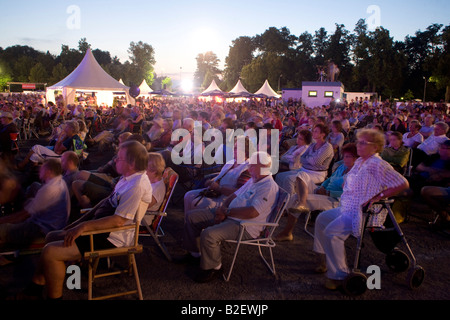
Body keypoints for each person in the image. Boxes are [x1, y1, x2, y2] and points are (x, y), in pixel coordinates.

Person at [17, 140, 152, 300]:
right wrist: (79, 223)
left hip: (112, 237)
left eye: (119, 158)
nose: (115, 160)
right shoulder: (127, 178)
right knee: (51, 237)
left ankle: (53, 296)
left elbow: (118, 221)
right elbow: (106, 202)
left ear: (132, 163)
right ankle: (37, 285)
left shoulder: (136, 186)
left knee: (51, 252)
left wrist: (83, 227)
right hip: (103, 229)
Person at [313, 129, 409, 290]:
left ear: (376, 147)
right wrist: (347, 185)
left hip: (362, 212)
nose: (359, 145)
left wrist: (378, 197)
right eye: (359, 141)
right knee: (322, 219)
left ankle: (339, 275)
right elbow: (353, 182)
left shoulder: (378, 164)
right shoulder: (360, 162)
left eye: (364, 142)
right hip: (347, 206)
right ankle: (324, 259)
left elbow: (402, 184)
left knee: (332, 232)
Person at [178, 151, 279, 283]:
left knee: (209, 235)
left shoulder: (268, 187)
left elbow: (252, 213)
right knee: (192, 217)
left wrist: (226, 212)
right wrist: (222, 209)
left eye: (252, 166)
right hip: (230, 214)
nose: (249, 168)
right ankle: (195, 254)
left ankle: (214, 267)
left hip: (245, 225)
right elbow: (234, 195)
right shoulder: (255, 180)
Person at [274, 143, 358, 241]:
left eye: (348, 157)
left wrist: (328, 193)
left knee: (295, 197)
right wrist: (322, 187)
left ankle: (287, 232)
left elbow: (349, 194)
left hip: (334, 199)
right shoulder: (342, 167)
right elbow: (329, 179)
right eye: (344, 156)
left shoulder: (356, 174)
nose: (344, 159)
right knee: (302, 174)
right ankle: (302, 202)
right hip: (323, 191)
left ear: (356, 158)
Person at [0, 159, 70, 251]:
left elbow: (23, 216)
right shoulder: (60, 181)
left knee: (3, 230)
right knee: (33, 187)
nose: (39, 170)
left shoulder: (49, 189)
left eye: (42, 169)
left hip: (42, 230)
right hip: (54, 224)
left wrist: (3, 221)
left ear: (48, 171)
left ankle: (8, 255)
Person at [183, 137, 251, 214]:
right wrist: (212, 181)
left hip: (226, 198)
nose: (233, 150)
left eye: (236, 148)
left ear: (245, 151)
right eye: (234, 147)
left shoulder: (247, 169)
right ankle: (188, 223)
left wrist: (219, 188)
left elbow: (239, 193)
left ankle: (198, 223)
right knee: (188, 195)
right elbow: (221, 176)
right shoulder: (231, 162)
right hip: (216, 192)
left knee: (197, 203)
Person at [276, 124, 334, 213]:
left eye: (316, 131)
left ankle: (290, 207)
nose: (313, 133)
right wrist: (310, 159)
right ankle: (282, 202)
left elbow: (316, 162)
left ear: (323, 134)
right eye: (313, 130)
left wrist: (308, 159)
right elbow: (302, 158)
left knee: (289, 179)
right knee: (279, 176)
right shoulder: (312, 145)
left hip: (316, 174)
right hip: (303, 169)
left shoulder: (327, 147)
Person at [17, 120, 83, 169]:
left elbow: (56, 150)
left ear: (71, 129)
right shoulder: (76, 137)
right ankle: (36, 173)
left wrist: (60, 136)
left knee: (36, 147)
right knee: (34, 156)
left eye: (67, 127)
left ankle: (22, 164)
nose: (65, 128)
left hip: (62, 159)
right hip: (66, 158)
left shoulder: (70, 139)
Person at [141, 152, 167, 227]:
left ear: (154, 171)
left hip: (140, 221)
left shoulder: (157, 189)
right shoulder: (151, 180)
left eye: (144, 168)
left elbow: (141, 208)